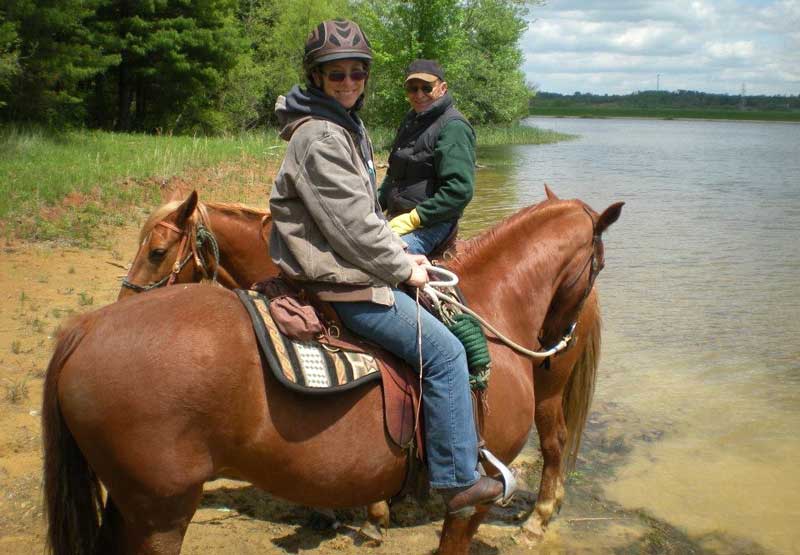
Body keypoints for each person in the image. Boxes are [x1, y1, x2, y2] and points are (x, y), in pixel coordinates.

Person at [268, 19, 505, 516]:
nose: (350, 83)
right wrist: (403, 269)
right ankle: (457, 479)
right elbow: (354, 226)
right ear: (317, 79)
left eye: (357, 73)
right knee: (444, 353)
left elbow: (365, 213)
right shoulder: (323, 137)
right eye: (337, 76)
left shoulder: (339, 125)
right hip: (341, 281)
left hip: (349, 264)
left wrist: (406, 253)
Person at [378, 59, 476, 255]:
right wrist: (374, 207)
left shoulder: (454, 127)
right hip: (398, 216)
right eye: (412, 89)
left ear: (442, 88)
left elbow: (459, 191)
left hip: (433, 223)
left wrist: (414, 218)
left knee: (388, 259)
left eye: (426, 87)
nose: (419, 94)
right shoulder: (411, 121)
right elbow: (393, 174)